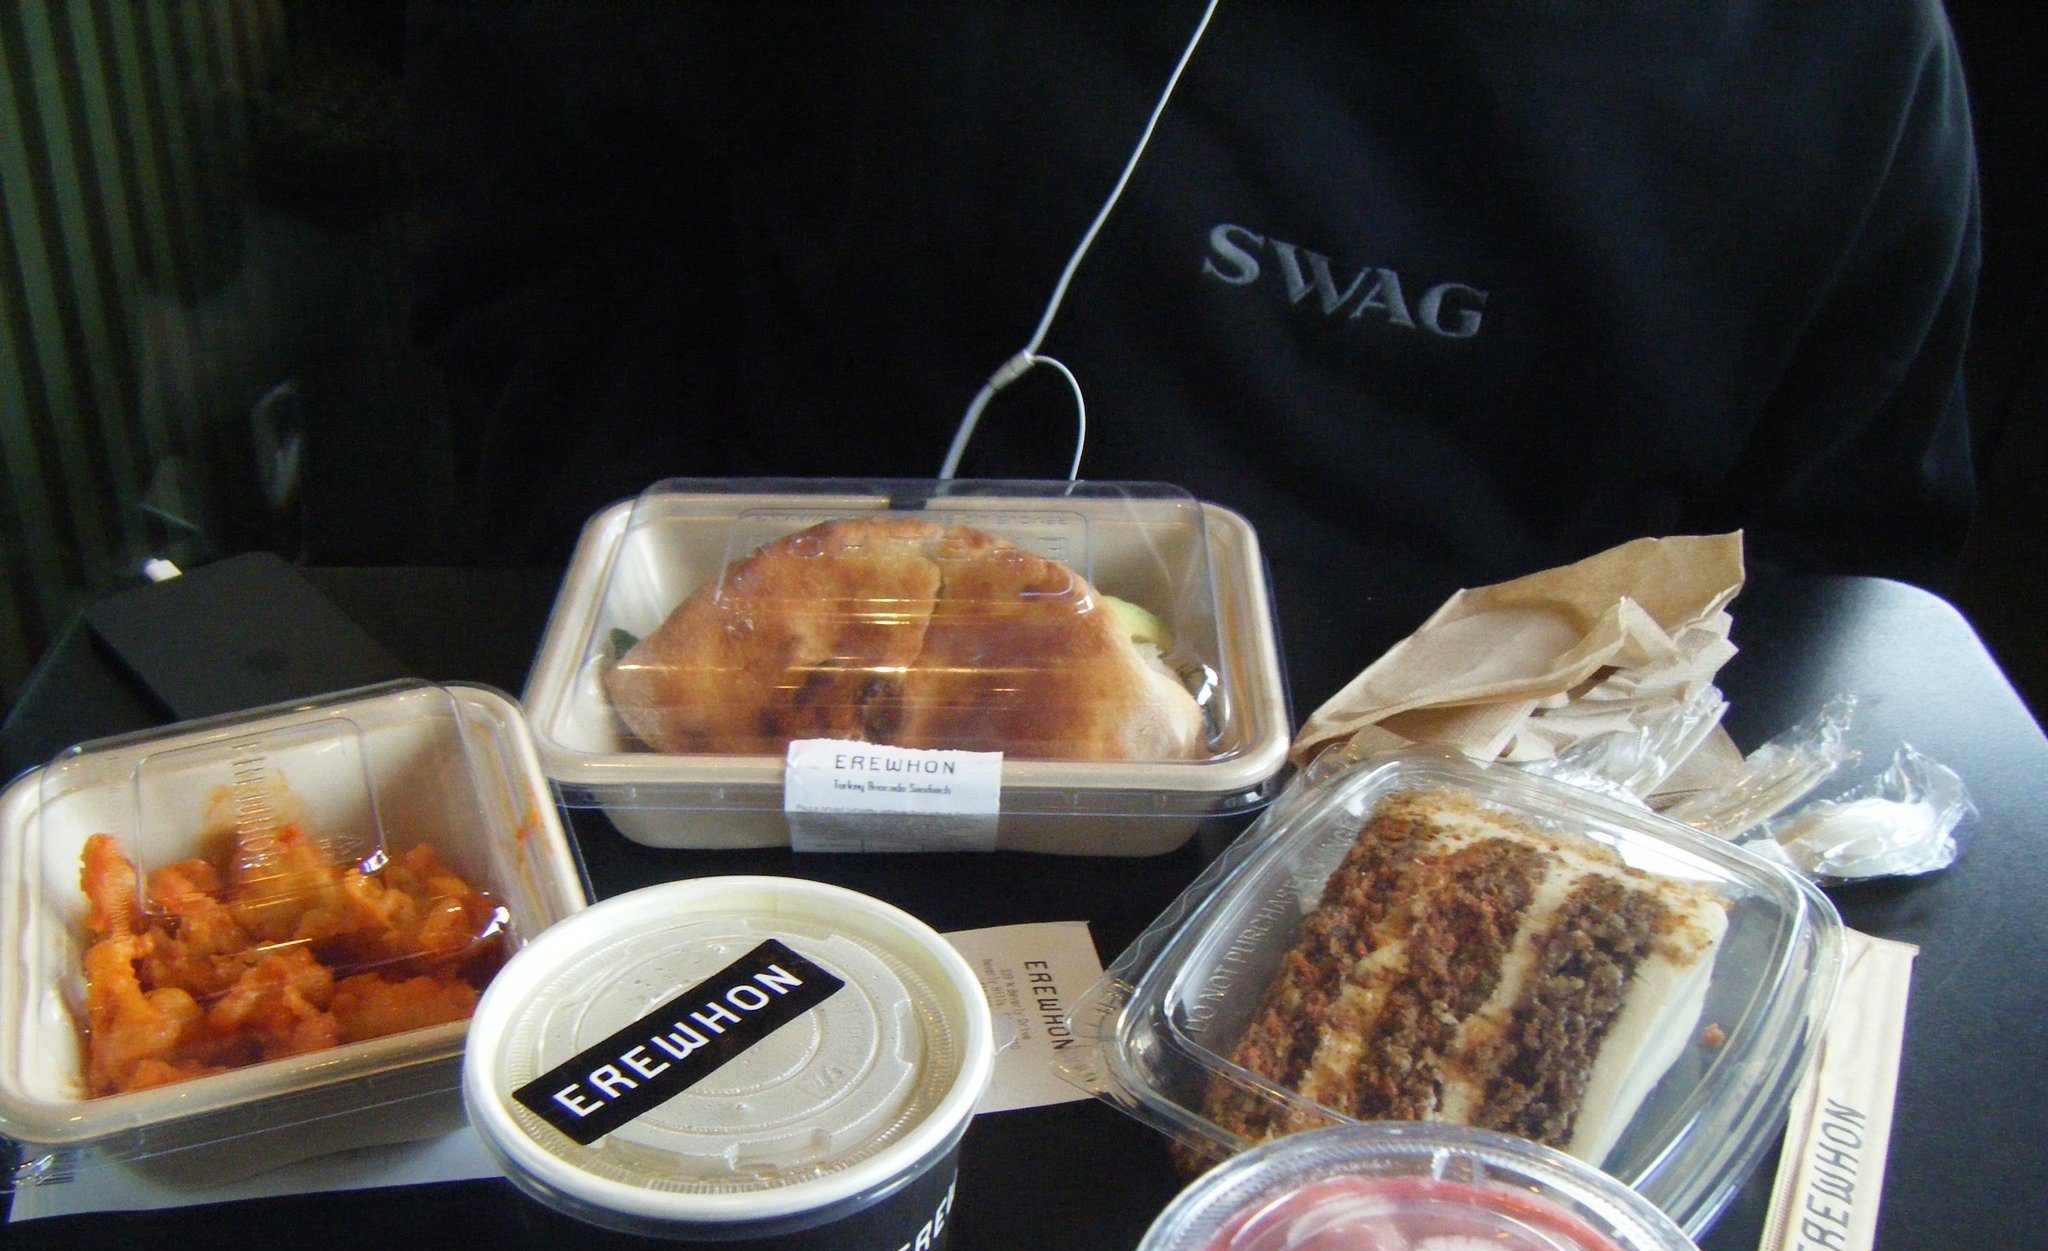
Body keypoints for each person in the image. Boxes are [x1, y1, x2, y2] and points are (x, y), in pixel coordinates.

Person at [403, 0, 1979, 712]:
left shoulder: (1847, 64)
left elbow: (1843, 592)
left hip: (1454, 843)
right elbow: (560, 219)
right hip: (789, 775)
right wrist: (630, 648)